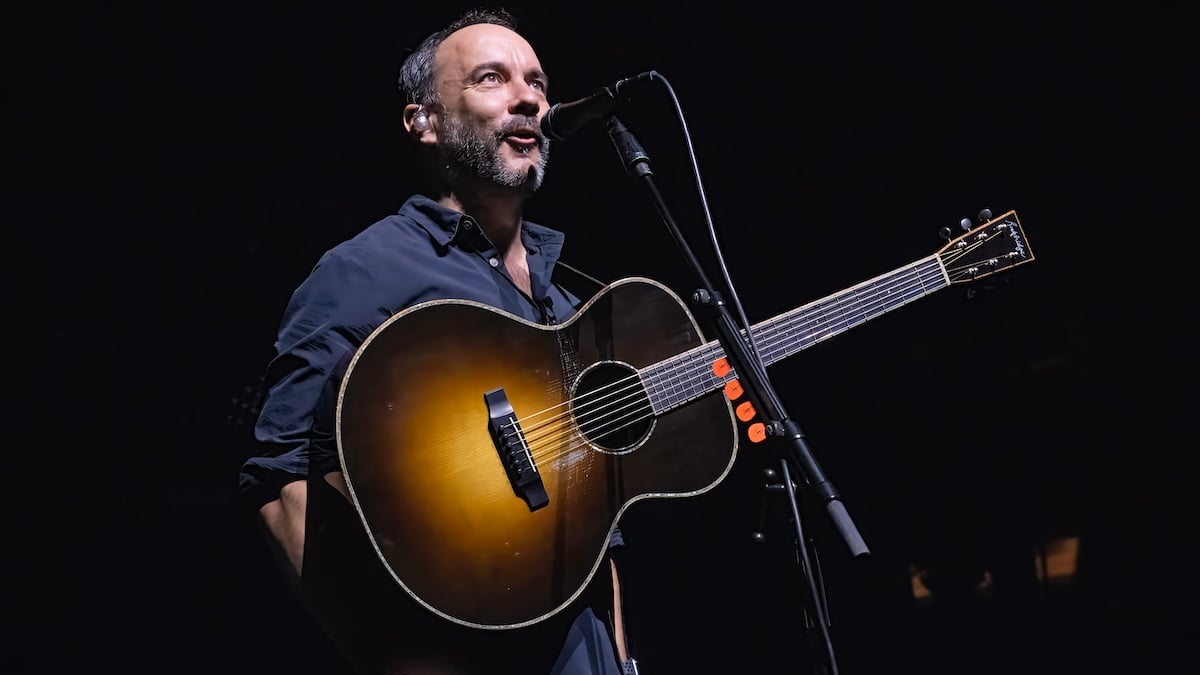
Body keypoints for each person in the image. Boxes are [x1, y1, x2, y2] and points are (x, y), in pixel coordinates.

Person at [238, 8, 635, 675]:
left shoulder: (568, 302)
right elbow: (279, 480)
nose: (530, 97)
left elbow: (603, 533)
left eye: (536, 81)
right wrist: (401, 660)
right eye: (492, 78)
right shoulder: (365, 271)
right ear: (422, 120)